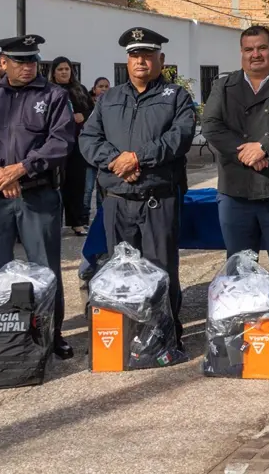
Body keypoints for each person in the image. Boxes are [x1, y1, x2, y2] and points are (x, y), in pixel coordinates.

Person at [0, 34, 76, 359]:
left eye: (32, 60)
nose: (28, 67)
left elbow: (61, 142)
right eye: (20, 61)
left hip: (38, 195)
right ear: (3, 63)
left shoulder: (53, 96)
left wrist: (22, 169)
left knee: (45, 268)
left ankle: (52, 334)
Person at [201, 25, 269, 355]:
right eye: (249, 49)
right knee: (239, 265)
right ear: (241, 53)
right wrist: (246, 153)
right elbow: (211, 126)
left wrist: (264, 146)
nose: (256, 55)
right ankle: (239, 324)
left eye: (262, 48)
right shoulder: (224, 85)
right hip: (236, 191)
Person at [81, 27, 195, 345]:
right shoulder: (109, 99)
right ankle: (127, 333)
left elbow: (179, 138)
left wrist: (137, 159)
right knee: (119, 270)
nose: (140, 60)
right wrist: (116, 161)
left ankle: (165, 334)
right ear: (127, 60)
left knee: (161, 271)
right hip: (117, 199)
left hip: (158, 199)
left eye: (147, 54)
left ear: (161, 59)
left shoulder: (177, 97)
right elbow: (88, 138)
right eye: (134, 55)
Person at [51, 56, 95, 235]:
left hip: (76, 143)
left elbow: (92, 109)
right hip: (54, 144)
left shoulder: (79, 89)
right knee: (55, 185)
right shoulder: (49, 90)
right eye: (60, 69)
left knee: (76, 183)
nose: (64, 72)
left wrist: (83, 115)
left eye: (66, 69)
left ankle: (77, 222)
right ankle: (54, 223)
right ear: (53, 72)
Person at [85, 76, 112, 220]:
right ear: (94, 89)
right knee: (88, 188)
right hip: (90, 153)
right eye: (101, 86)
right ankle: (85, 217)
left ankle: (101, 217)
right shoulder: (87, 106)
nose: (103, 89)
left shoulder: (112, 106)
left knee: (103, 188)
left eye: (106, 86)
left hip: (106, 153)